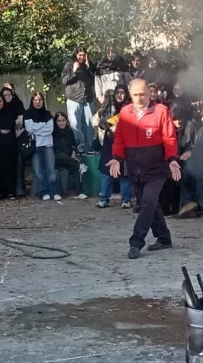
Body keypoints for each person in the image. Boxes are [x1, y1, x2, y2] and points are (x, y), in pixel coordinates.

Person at [107, 78, 180, 260]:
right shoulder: (125, 113)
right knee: (151, 205)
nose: (139, 98)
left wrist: (172, 160)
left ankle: (136, 242)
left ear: (149, 93)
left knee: (147, 203)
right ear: (130, 95)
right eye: (135, 95)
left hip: (157, 169)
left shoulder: (162, 111)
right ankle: (164, 238)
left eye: (143, 94)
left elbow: (169, 138)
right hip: (135, 169)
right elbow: (119, 140)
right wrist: (116, 158)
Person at [94, 88, 133, 208]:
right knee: (106, 172)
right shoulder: (108, 106)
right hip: (109, 142)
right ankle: (104, 198)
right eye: (118, 92)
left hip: (125, 142)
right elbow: (100, 122)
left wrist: (121, 128)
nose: (120, 95)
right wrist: (110, 126)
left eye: (122, 92)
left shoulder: (130, 108)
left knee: (124, 172)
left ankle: (126, 199)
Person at [24, 92, 59, 201]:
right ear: (32, 101)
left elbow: (50, 129)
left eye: (40, 100)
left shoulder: (48, 114)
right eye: (35, 100)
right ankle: (44, 192)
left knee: (51, 169)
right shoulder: (28, 114)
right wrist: (41, 127)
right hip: (35, 146)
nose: (38, 102)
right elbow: (29, 128)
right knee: (39, 171)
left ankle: (54, 191)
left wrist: (36, 130)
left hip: (47, 144)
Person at [61, 48, 96, 152]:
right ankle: (80, 147)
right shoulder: (69, 65)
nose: (82, 57)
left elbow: (96, 78)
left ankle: (89, 148)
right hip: (74, 98)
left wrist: (90, 67)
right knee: (76, 124)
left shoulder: (89, 65)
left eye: (83, 55)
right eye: (79, 55)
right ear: (75, 55)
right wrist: (74, 71)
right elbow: (64, 80)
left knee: (89, 125)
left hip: (88, 98)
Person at [52, 112, 88, 199]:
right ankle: (63, 191)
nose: (61, 123)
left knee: (74, 166)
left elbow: (74, 144)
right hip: (57, 156)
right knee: (74, 163)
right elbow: (57, 146)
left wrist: (74, 151)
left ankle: (78, 192)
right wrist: (70, 153)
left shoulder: (69, 130)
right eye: (59, 121)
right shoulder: (54, 132)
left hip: (69, 158)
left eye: (63, 120)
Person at [1, 83, 27, 197]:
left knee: (18, 164)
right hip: (4, 141)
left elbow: (19, 123)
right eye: (5, 93)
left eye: (9, 92)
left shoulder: (17, 104)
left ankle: (19, 189)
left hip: (17, 138)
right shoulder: (0, 105)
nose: (7, 96)